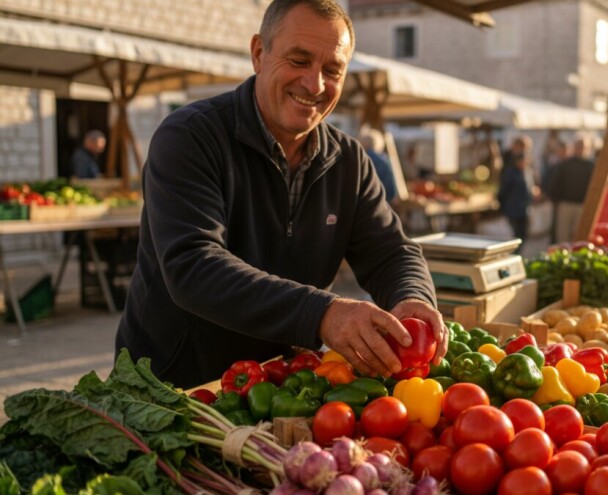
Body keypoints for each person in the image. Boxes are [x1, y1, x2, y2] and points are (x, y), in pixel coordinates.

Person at [116, 0, 446, 389]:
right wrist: (324, 314)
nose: (315, 84)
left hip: (278, 382)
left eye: (332, 70)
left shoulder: (350, 162)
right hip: (175, 384)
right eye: (299, 60)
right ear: (259, 53)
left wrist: (413, 296)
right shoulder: (189, 137)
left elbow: (392, 251)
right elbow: (193, 266)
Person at [545, 134, 595, 243]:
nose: (581, 149)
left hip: (582, 205)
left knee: (578, 235)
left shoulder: (591, 166)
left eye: (583, 147)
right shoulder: (565, 164)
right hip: (565, 205)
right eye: (579, 146)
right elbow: (556, 184)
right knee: (563, 235)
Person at [497, 135, 536, 251]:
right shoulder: (510, 169)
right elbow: (503, 191)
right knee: (515, 236)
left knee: (522, 236)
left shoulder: (526, 172)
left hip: (524, 208)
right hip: (514, 209)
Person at [359, 128, 398, 204]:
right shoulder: (385, 159)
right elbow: (391, 187)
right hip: (382, 202)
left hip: (367, 202)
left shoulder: (361, 159)